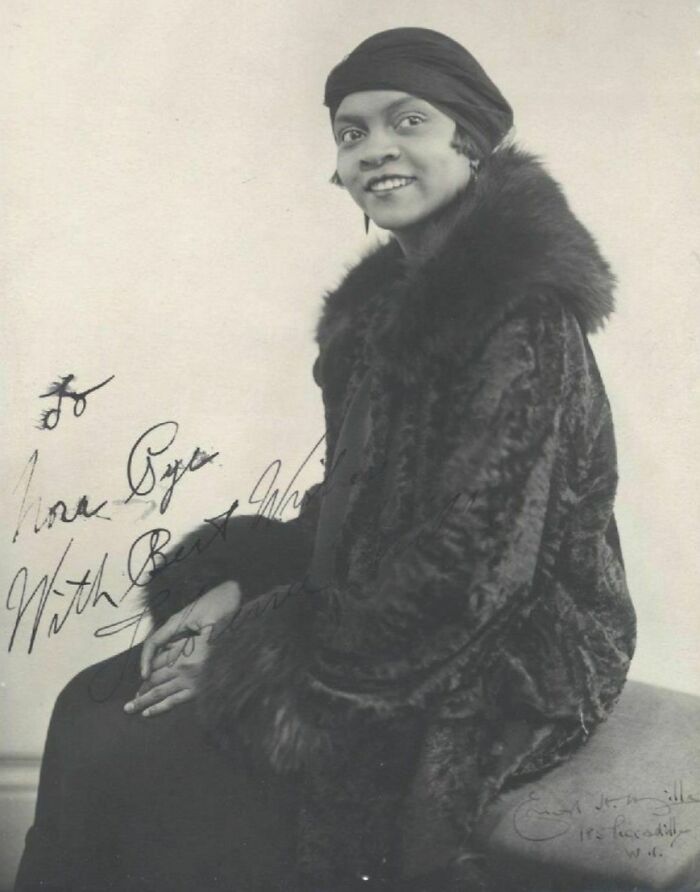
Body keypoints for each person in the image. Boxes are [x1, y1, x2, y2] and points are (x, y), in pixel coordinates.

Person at [17, 27, 636, 892]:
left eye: (406, 121)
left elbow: (478, 572)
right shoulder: (381, 318)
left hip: (515, 645)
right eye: (352, 134)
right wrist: (242, 585)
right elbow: (355, 505)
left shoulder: (521, 316)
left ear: (471, 140)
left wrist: (259, 657)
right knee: (89, 697)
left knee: (145, 750)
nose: (376, 149)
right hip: (378, 611)